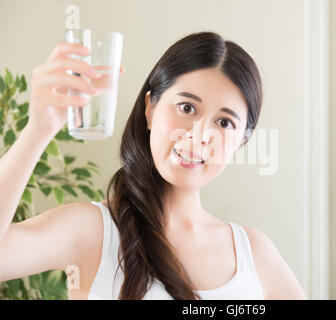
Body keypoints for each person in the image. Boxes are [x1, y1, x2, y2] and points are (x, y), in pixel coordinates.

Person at [0, 31, 307, 300]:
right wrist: (38, 129)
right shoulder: (94, 231)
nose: (198, 135)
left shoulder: (254, 254)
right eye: (187, 107)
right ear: (150, 109)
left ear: (241, 141)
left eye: (224, 122)